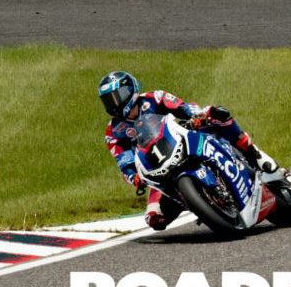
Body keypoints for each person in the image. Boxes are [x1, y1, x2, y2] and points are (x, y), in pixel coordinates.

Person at [98, 71, 280, 231]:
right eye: (108, 101)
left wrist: (196, 115)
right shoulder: (113, 131)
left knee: (217, 114)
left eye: (117, 96)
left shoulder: (155, 97)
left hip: (182, 138)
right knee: (154, 220)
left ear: (130, 90)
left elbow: (183, 107)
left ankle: (254, 153)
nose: (114, 104)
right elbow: (124, 161)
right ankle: (200, 203)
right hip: (159, 167)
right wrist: (134, 177)